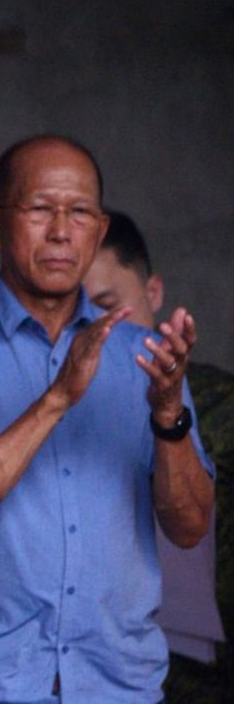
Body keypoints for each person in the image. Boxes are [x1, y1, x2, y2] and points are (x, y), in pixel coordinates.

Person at [0, 135, 214, 702]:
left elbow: (189, 527)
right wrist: (57, 398)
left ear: (100, 231)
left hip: (118, 684)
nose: (61, 230)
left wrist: (167, 416)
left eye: (80, 212)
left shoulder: (144, 356)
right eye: (39, 209)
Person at [84, 209, 232, 701]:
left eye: (108, 306)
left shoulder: (219, 404)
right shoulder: (56, 406)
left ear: (153, 294)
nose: (94, 328)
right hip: (98, 662)